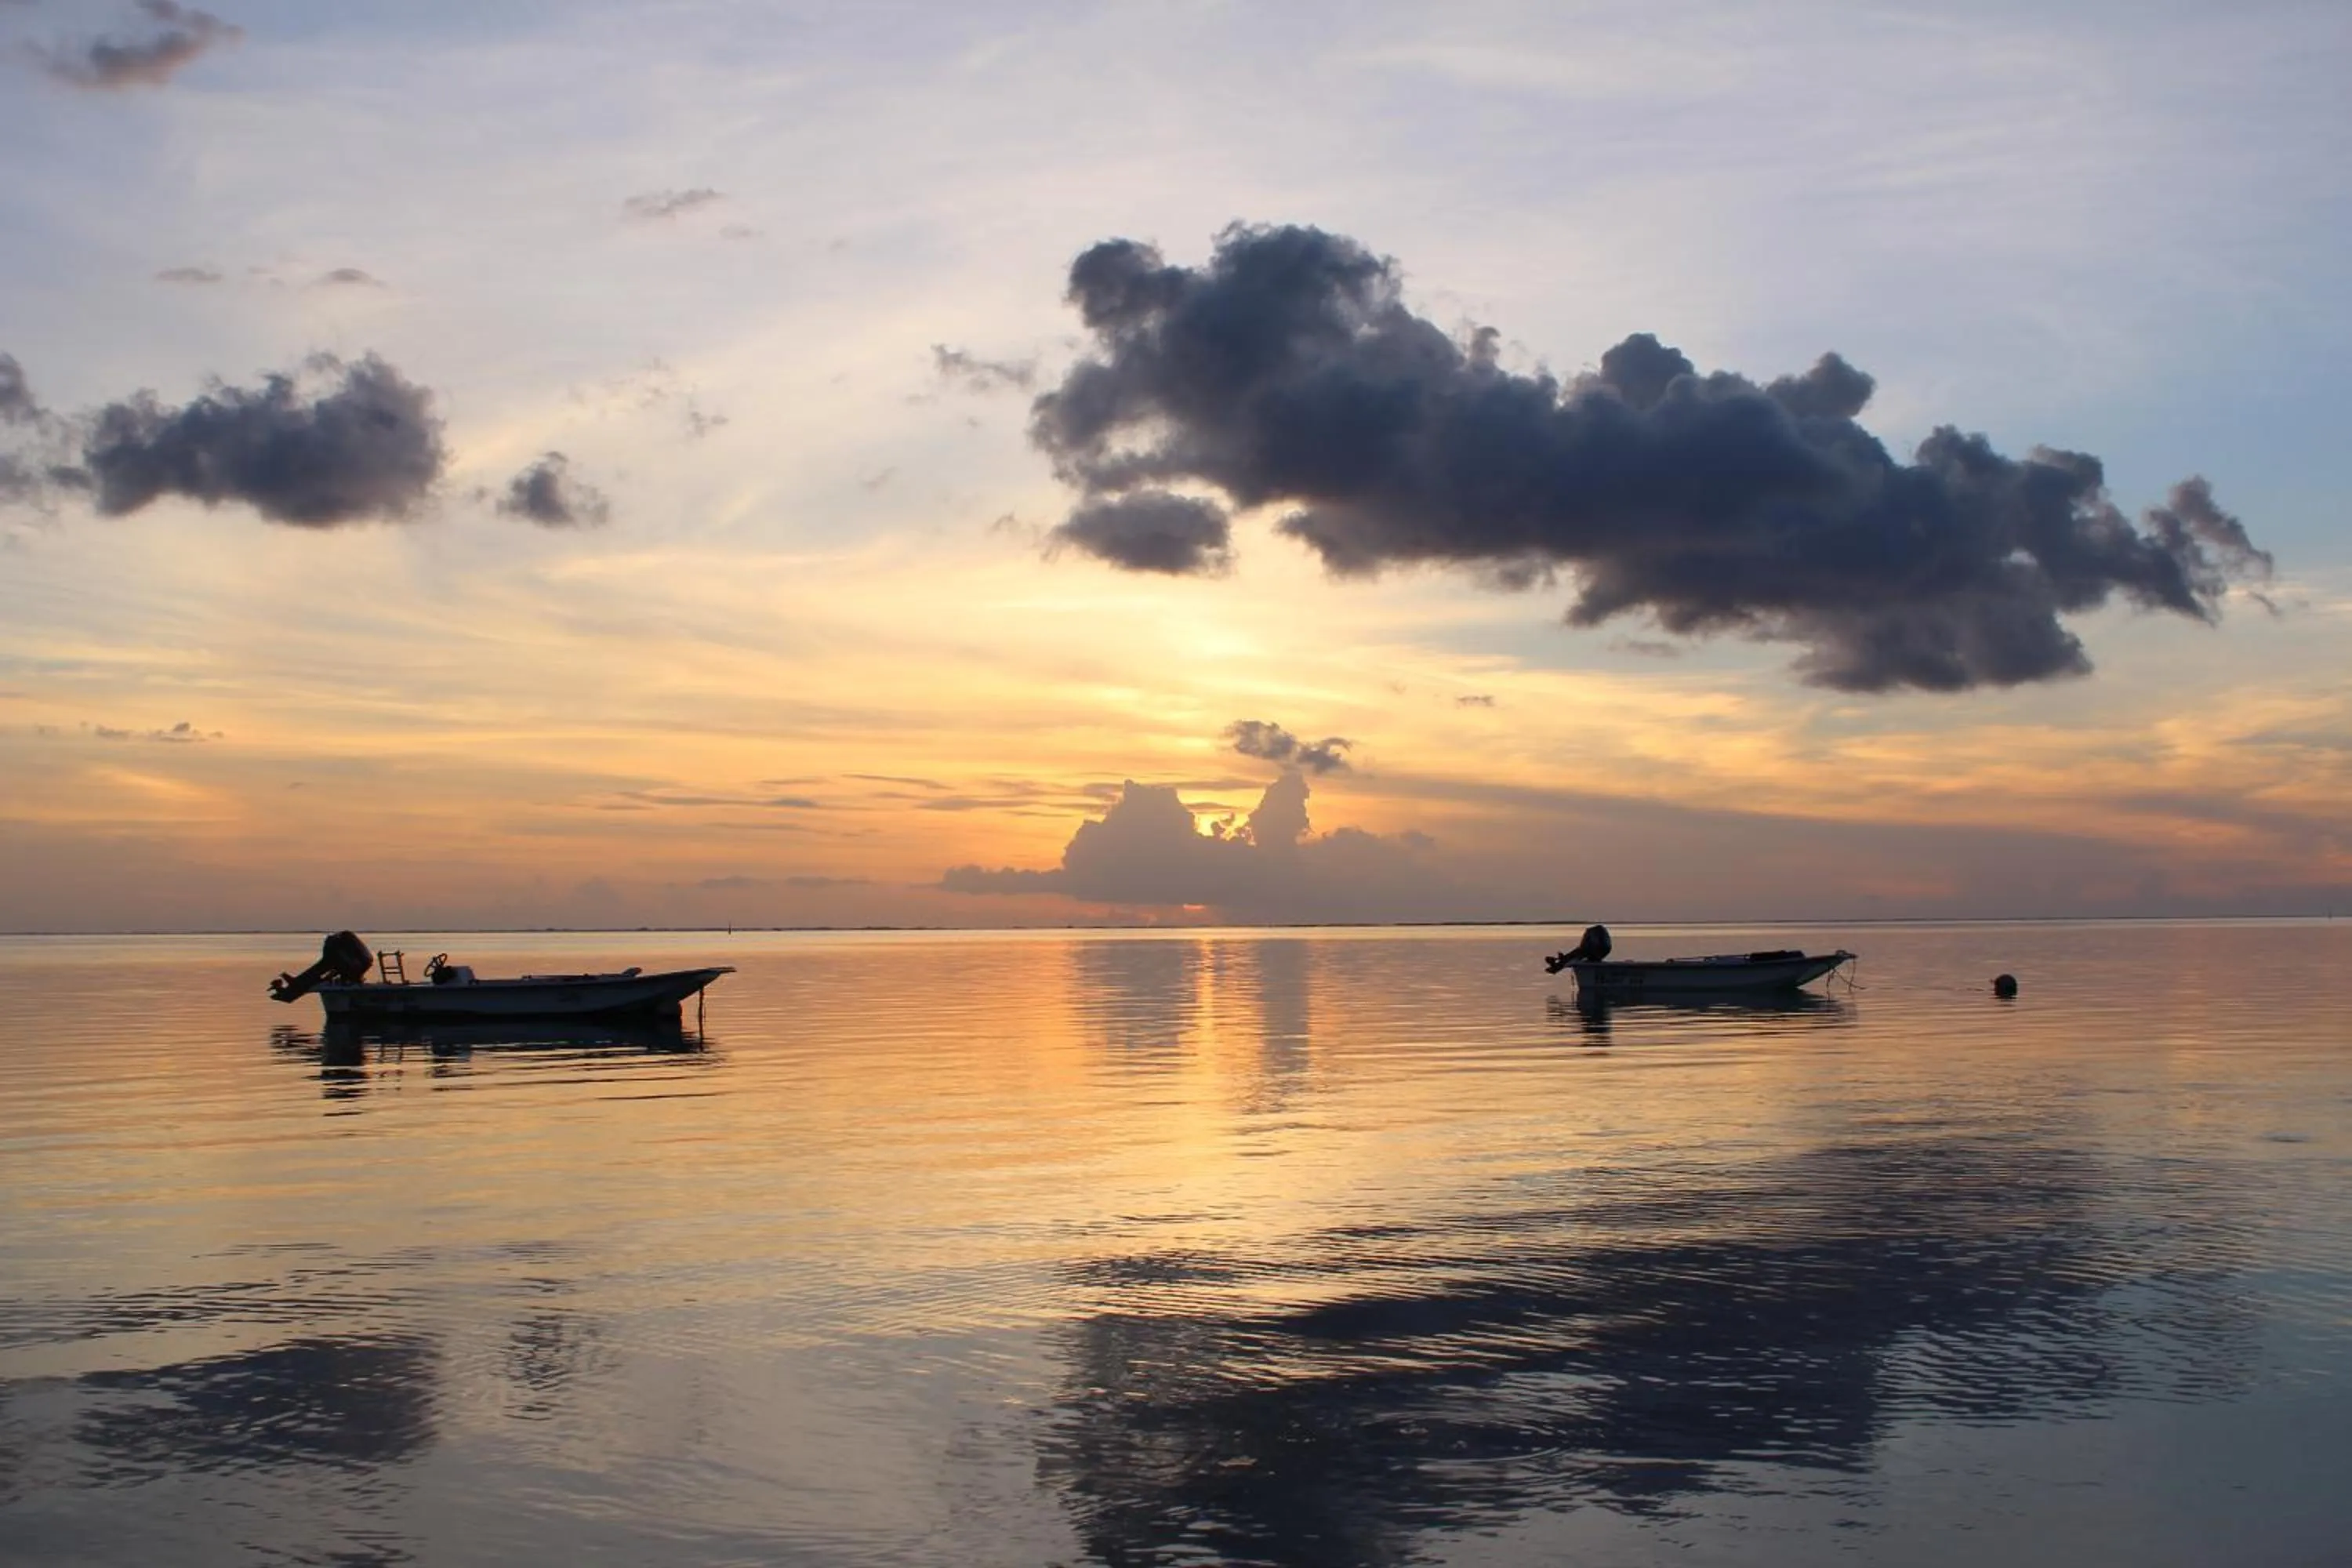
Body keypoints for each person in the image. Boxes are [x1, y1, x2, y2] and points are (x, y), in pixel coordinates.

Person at [1544, 924, 1612, 974]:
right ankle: (1560, 963)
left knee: (1579, 952)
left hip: (1597, 949)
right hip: (1599, 949)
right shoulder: (1591, 945)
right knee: (1579, 952)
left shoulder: (1588, 947)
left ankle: (1559, 964)